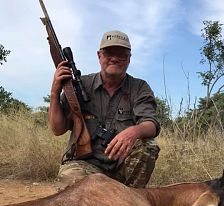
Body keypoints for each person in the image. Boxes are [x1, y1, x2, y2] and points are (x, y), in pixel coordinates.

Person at [49, 30, 160, 189]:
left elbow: (151, 124)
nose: (114, 58)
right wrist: (55, 92)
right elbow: (57, 129)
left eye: (121, 54)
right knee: (70, 190)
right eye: (108, 53)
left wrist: (134, 131)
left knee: (148, 145)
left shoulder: (139, 87)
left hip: (120, 166)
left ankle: (131, 199)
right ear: (99, 55)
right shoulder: (80, 85)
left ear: (129, 58)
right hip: (83, 164)